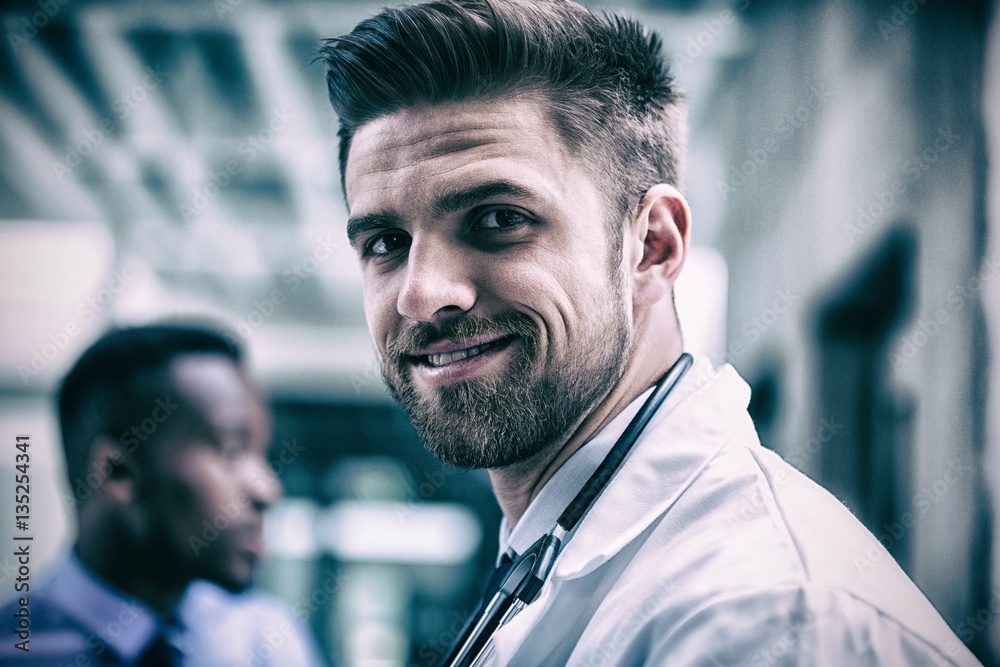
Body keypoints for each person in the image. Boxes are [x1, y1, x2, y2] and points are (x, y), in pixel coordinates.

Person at [318, 1, 983, 665]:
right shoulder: (552, 547)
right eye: (385, 241)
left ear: (652, 247)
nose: (422, 293)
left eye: (496, 219)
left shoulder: (768, 621)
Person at [0, 324, 325, 666]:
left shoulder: (268, 641)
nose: (268, 491)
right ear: (117, 472)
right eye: (233, 451)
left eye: (263, 456)